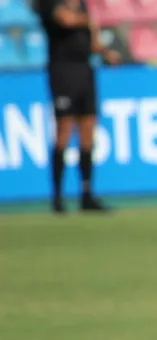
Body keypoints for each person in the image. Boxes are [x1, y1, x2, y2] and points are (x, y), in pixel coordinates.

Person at [35, 0, 120, 214]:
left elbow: (91, 42)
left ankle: (87, 194)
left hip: (85, 70)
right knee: (64, 131)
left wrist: (105, 53)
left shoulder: (82, 4)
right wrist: (89, 21)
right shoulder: (49, 3)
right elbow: (66, 20)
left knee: (88, 132)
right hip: (63, 71)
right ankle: (58, 197)